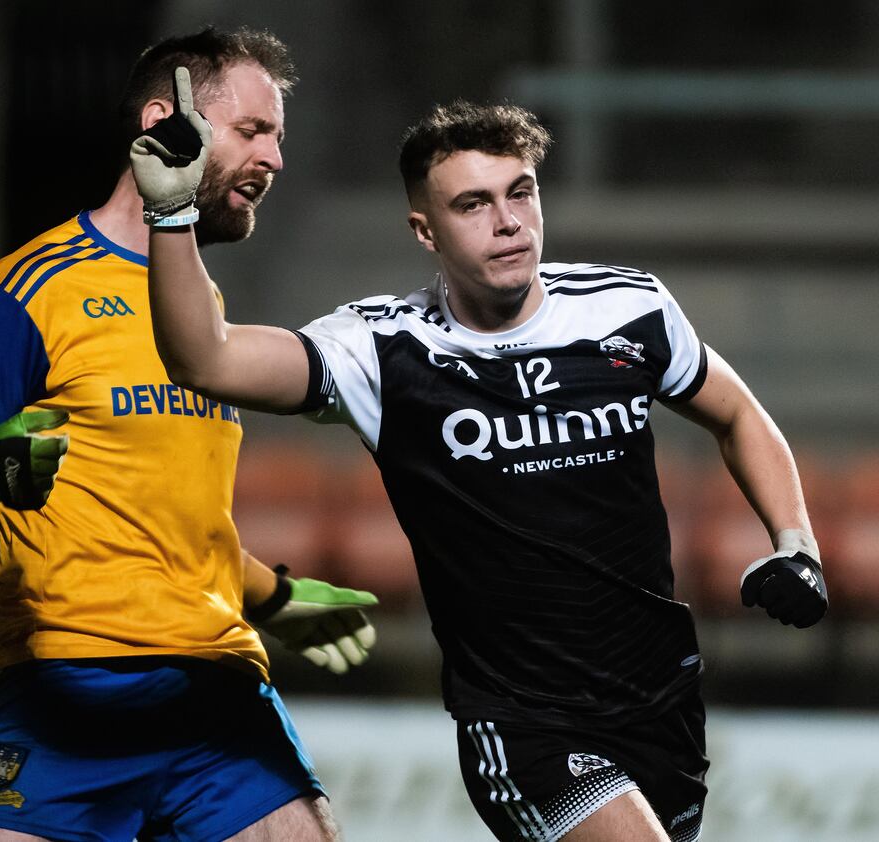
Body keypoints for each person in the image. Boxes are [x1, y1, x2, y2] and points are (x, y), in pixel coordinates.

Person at [132, 88, 830, 842]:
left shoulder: (625, 308)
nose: (507, 222)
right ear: (425, 231)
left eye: (520, 192)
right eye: (473, 204)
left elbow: (738, 413)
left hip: (662, 704)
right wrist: (173, 217)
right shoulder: (381, 351)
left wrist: (797, 544)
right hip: (524, 725)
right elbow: (207, 358)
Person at [0, 28, 378, 842]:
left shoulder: (200, 309)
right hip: (62, 694)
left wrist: (275, 598)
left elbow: (158, 514)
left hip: (215, 695)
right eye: (254, 131)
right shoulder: (31, 290)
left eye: (278, 137)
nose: (276, 159)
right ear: (164, 123)